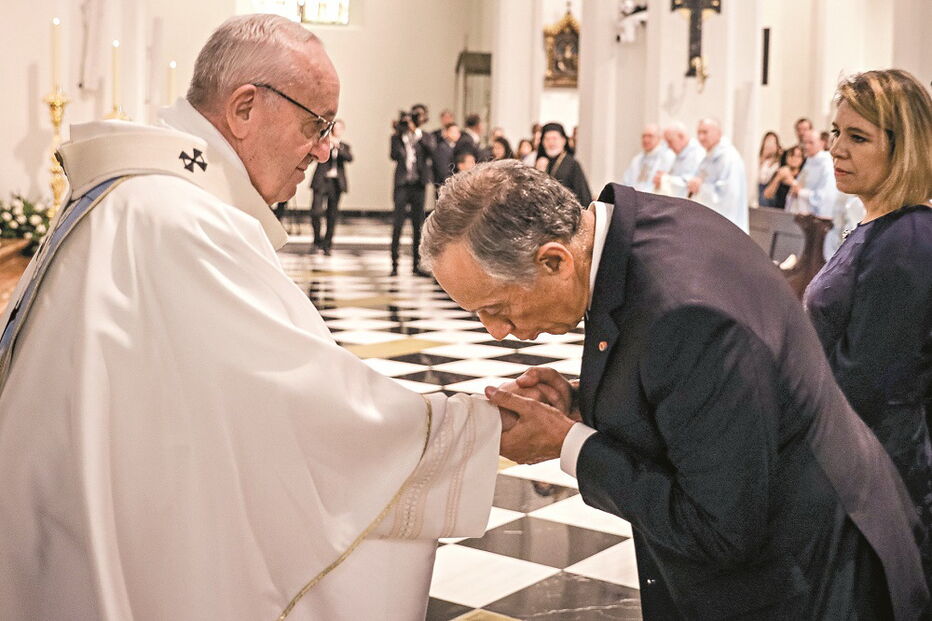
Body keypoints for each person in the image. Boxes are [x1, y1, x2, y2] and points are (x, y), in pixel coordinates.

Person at [0, 15, 503, 620]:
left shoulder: (145, 199)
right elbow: (300, 404)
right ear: (244, 109)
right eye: (316, 125)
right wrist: (472, 428)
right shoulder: (173, 219)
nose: (325, 149)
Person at [421, 159, 929, 620]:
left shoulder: (686, 314)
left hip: (811, 577)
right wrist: (580, 402)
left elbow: (717, 528)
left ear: (555, 261)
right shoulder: (644, 228)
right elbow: (687, 395)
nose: (495, 331)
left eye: (496, 306)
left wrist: (568, 443)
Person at [804, 68, 932, 590]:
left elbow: (872, 381)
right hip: (860, 463)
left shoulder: (906, 238)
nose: (837, 148)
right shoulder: (882, 227)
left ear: (903, 148)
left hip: (880, 476)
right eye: (835, 132)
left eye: (858, 137)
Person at [390, 107, 432, 276]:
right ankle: (394, 263)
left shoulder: (425, 137)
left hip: (418, 185)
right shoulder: (397, 138)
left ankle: (416, 264)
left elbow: (431, 150)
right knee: (397, 224)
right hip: (402, 184)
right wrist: (400, 134)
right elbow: (393, 155)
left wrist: (417, 133)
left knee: (418, 225)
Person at [688, 118, 749, 232]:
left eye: (705, 132)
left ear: (719, 133)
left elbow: (728, 198)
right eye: (699, 133)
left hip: (728, 226)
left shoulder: (729, 158)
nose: (701, 137)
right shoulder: (707, 158)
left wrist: (700, 188)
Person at [309, 118, 352, 255]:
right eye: (335, 128)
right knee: (316, 211)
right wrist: (328, 144)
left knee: (332, 215)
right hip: (322, 180)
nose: (336, 131)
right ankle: (317, 240)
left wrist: (338, 147)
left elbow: (349, 158)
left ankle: (328, 244)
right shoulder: (324, 143)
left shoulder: (344, 146)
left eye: (339, 129)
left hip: (336, 183)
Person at [535, 122, 591, 206]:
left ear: (563, 141)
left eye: (554, 138)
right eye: (547, 139)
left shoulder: (572, 164)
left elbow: (583, 195)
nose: (551, 142)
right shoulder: (540, 162)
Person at [786, 129, 838, 217]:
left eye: (811, 142)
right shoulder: (809, 161)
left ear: (821, 143)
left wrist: (800, 192)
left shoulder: (826, 165)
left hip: (815, 218)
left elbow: (826, 197)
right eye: (804, 142)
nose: (806, 146)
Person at [652, 121, 704, 198]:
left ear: (681, 136)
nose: (668, 146)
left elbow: (690, 185)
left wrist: (664, 179)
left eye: (670, 141)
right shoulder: (676, 155)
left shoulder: (698, 154)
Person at [621, 123, 674, 192]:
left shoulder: (668, 157)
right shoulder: (637, 159)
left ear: (659, 138)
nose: (646, 140)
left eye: (650, 136)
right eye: (643, 136)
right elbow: (625, 182)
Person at [762, 144, 804, 210]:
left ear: (802, 159)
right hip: (777, 211)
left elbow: (801, 194)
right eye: (791, 155)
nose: (794, 158)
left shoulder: (803, 175)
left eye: (798, 156)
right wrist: (778, 177)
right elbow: (767, 195)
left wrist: (790, 179)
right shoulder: (779, 172)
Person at [757, 131, 782, 207]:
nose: (770, 145)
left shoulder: (778, 162)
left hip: (771, 190)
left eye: (773, 142)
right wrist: (763, 157)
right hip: (758, 187)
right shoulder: (759, 159)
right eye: (768, 141)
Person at [432, 122, 460, 188]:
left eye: (457, 132)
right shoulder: (441, 148)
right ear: (446, 133)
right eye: (453, 132)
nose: (456, 134)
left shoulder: (456, 147)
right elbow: (443, 170)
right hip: (444, 184)